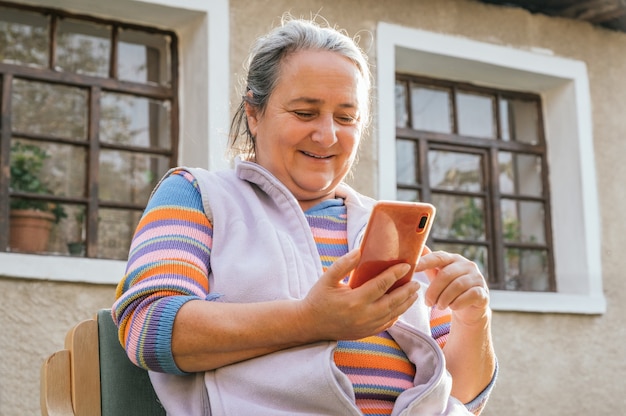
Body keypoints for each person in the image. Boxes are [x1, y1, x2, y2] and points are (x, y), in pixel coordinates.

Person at [112, 15, 497, 416]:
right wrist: (312, 320)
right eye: (305, 112)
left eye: (346, 118)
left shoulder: (385, 225)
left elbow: (464, 396)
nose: (328, 135)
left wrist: (473, 318)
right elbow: (149, 329)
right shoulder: (199, 195)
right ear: (253, 113)